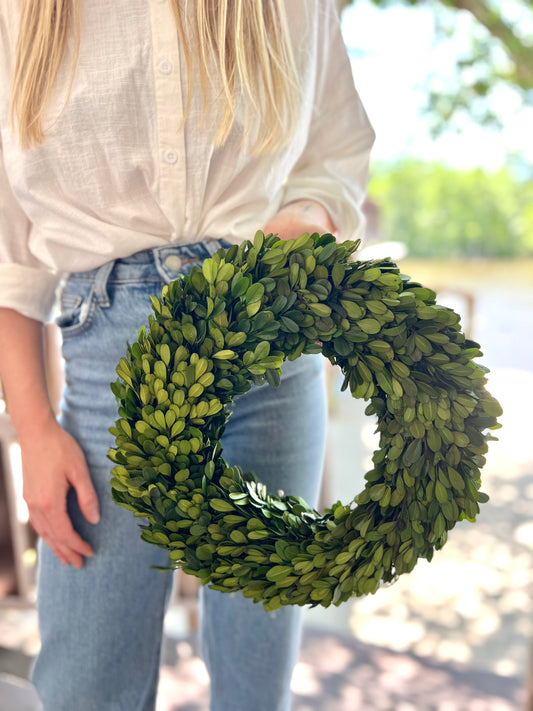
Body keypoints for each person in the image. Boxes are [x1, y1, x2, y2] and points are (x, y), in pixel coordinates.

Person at [0, 1, 374, 709]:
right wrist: (35, 430)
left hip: (270, 341)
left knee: (255, 686)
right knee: (88, 685)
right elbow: (6, 255)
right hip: (111, 356)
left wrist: (306, 220)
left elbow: (334, 153)